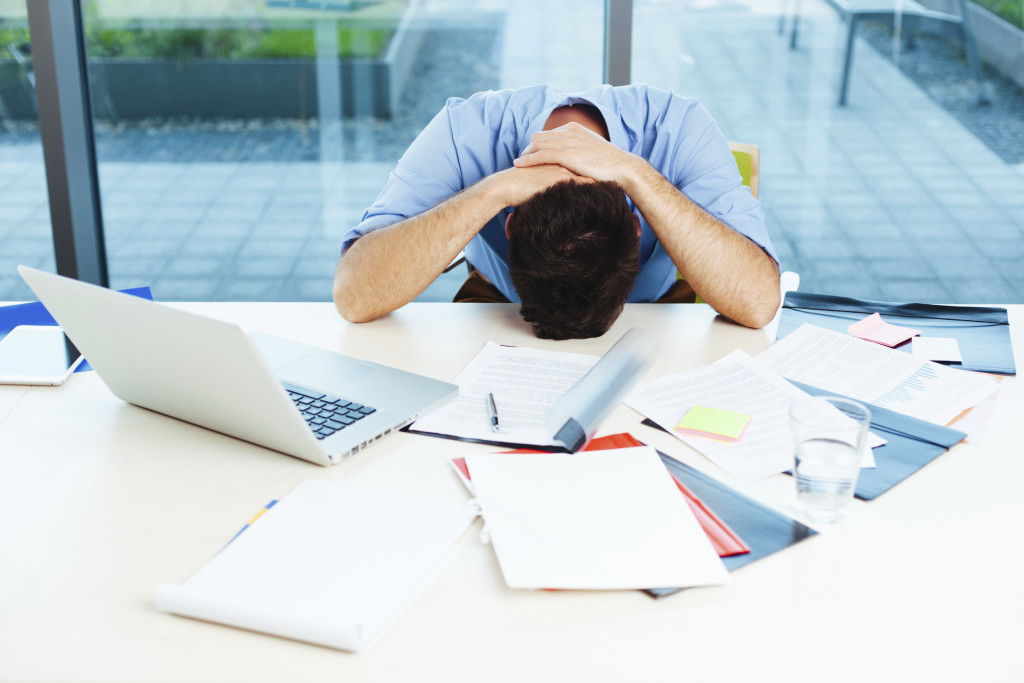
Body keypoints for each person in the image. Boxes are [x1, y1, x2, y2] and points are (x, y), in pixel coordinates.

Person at [333, 83, 780, 339]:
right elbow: (353, 296)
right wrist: (494, 189)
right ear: (509, 227)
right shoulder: (465, 130)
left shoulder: (678, 125)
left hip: (657, 302)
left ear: (638, 225)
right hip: (508, 303)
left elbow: (759, 304)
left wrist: (637, 175)